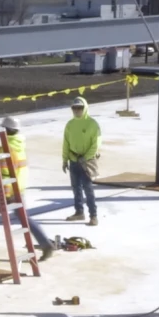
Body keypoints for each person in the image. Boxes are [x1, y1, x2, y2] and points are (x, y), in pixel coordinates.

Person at [0, 117, 55, 262]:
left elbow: (5, 171)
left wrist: (4, 193)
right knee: (25, 218)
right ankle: (46, 244)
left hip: (5, 190)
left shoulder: (4, 148)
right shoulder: (19, 145)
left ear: (6, 130)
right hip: (19, 188)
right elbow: (13, 165)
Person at [62, 95, 100, 225]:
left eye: (80, 108)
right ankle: (79, 212)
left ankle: (93, 215)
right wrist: (64, 159)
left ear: (85, 108)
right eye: (74, 108)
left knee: (88, 188)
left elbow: (96, 144)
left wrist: (86, 157)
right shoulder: (70, 125)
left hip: (87, 162)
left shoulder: (92, 124)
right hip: (73, 160)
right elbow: (66, 143)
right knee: (76, 188)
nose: (77, 110)